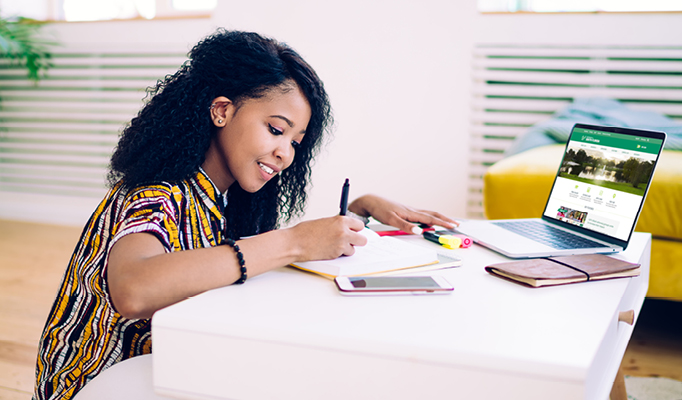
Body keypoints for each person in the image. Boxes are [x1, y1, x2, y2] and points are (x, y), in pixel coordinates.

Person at [33, 29, 458, 400]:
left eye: (296, 141)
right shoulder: (155, 196)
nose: (285, 153)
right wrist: (291, 242)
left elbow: (229, 260)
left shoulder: (221, 198)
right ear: (222, 110)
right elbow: (133, 289)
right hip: (98, 386)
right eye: (276, 129)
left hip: (164, 368)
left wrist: (358, 211)